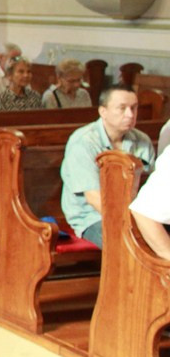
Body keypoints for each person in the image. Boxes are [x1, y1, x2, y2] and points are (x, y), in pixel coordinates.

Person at [61, 85, 155, 247]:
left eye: (134, 108)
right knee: (130, 244)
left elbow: (152, 188)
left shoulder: (142, 140)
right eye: (122, 108)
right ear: (103, 111)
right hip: (93, 217)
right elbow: (94, 197)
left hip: (137, 215)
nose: (130, 114)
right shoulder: (83, 142)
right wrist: (133, 224)